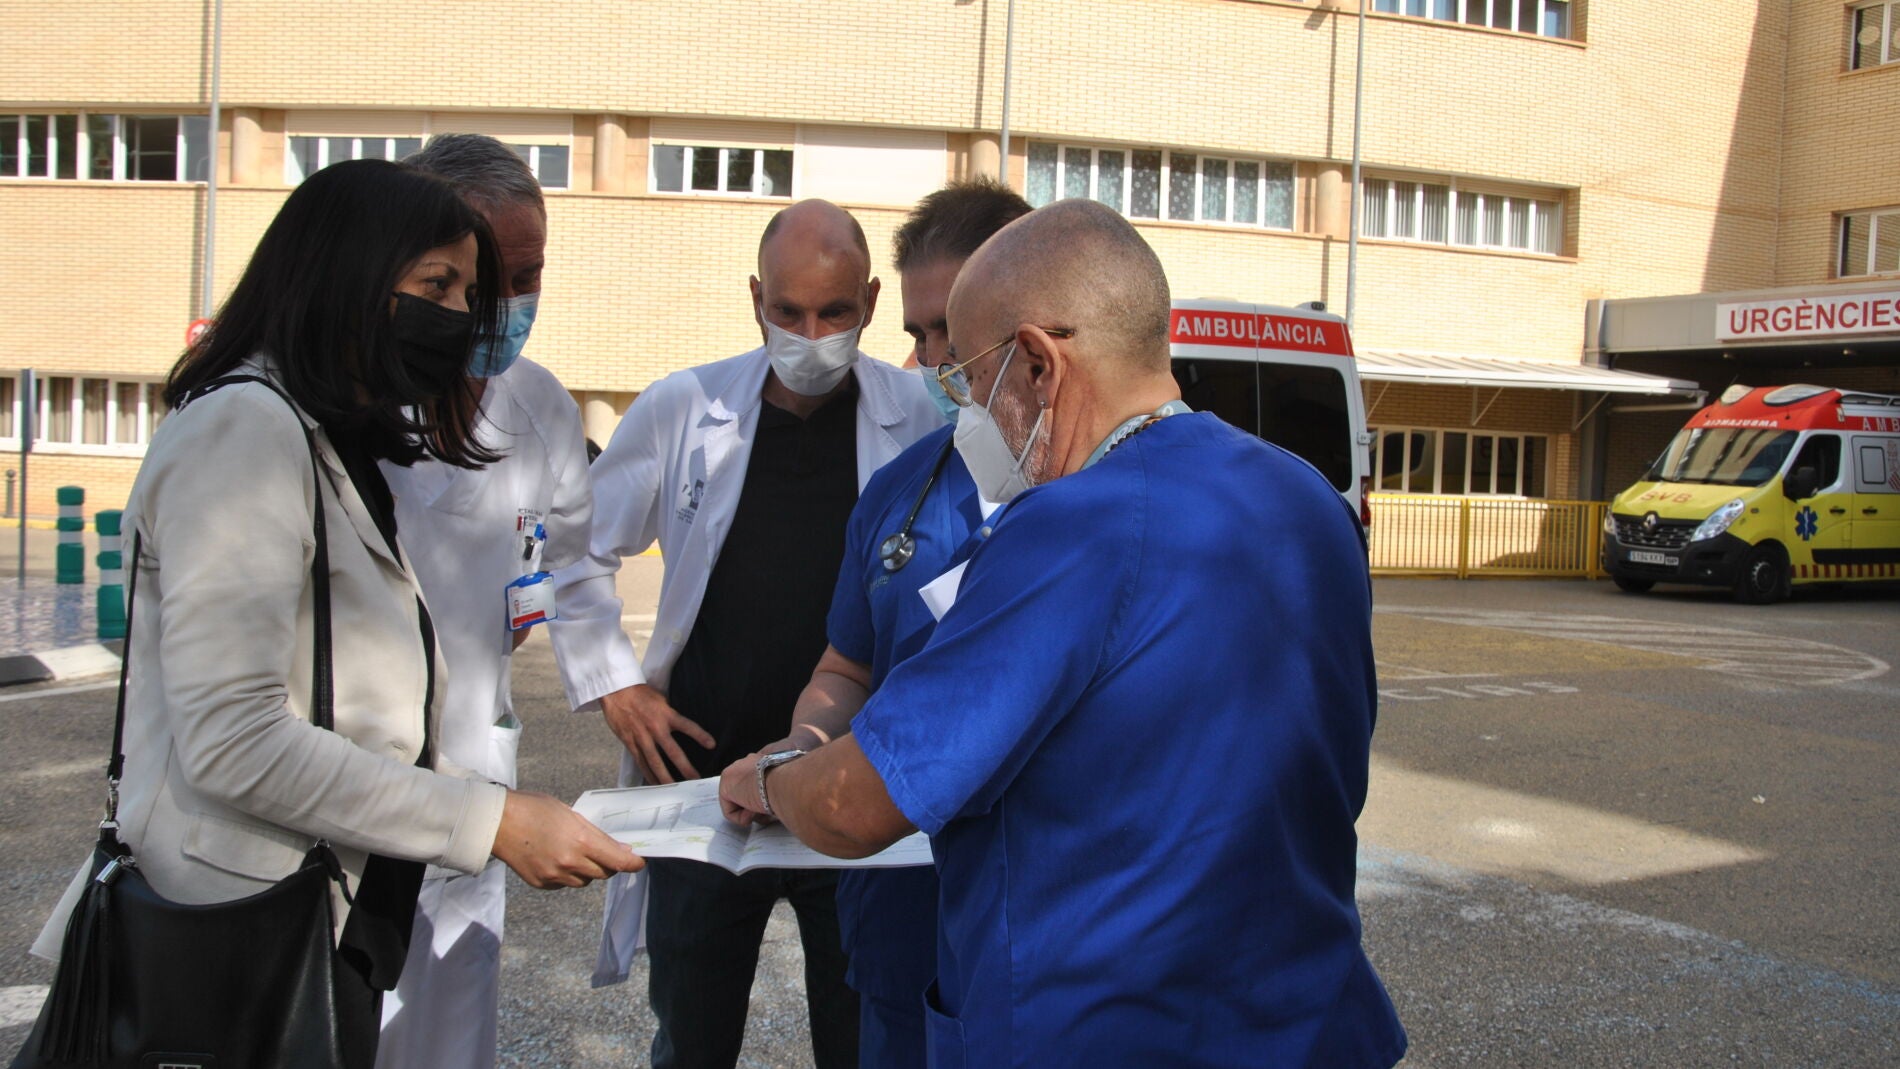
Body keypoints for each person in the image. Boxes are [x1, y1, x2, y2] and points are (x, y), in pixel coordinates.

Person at [719, 199, 1408, 1067]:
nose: (965, 409)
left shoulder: (1070, 528)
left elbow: (854, 805)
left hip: (1108, 1032)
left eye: (971, 381)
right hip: (1302, 1023)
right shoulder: (1308, 499)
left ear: (1039, 364)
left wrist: (769, 780)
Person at [29, 158, 641, 1069]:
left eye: (471, 291)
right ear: (349, 275)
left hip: (320, 900)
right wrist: (491, 820)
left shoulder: (330, 434)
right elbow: (234, 739)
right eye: (438, 287)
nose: (463, 316)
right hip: (235, 926)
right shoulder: (245, 430)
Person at [548, 199, 943, 1068]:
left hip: (850, 786)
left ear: (872, 303)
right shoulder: (683, 408)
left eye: (835, 312)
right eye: (788, 312)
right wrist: (617, 684)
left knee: (865, 1036)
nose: (812, 336)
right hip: (703, 783)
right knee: (692, 1034)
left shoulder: (920, 415)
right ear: (755, 298)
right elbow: (575, 548)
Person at [716, 179, 1028, 1069]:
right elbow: (848, 667)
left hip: (1034, 916)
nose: (933, 360)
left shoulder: (1087, 494)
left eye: (952, 332)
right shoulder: (900, 491)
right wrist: (802, 745)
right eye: (920, 334)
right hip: (899, 910)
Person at [373, 134, 596, 1069]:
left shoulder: (541, 411)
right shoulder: (351, 406)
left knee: (450, 1036)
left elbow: (568, 565)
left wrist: (615, 683)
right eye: (484, 277)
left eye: (529, 275)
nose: (506, 302)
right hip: (353, 791)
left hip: (476, 786)